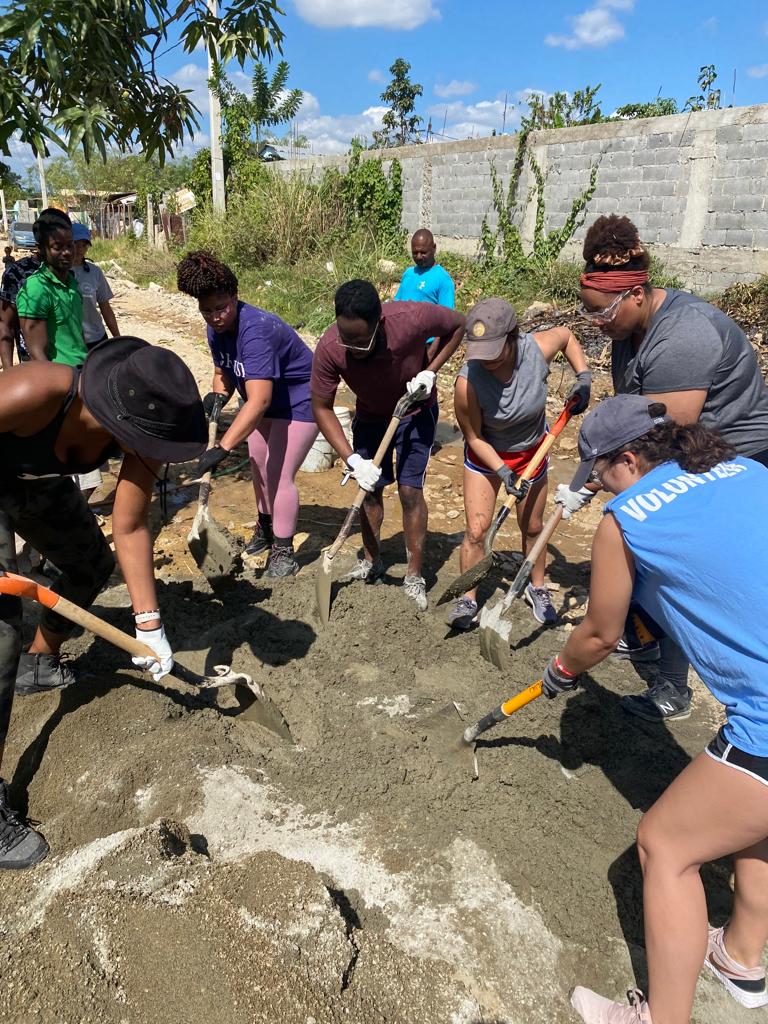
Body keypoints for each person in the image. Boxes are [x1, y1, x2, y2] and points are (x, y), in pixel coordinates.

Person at [541, 394, 768, 1024]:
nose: (599, 488)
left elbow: (598, 635)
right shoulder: (746, 468)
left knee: (664, 845)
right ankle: (741, 956)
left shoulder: (626, 519)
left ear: (629, 460)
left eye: (599, 473)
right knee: (751, 813)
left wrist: (562, 670)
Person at [0, 337, 207, 869]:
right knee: (0, 633)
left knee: (90, 564)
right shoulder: (33, 392)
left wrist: (149, 624)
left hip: (36, 483)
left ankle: (39, 660)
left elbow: (130, 525)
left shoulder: (145, 433)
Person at [555, 213, 768, 723]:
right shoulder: (627, 329)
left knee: (665, 558)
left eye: (601, 312)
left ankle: (674, 687)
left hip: (731, 456)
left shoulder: (683, 337)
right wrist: (585, 478)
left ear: (635, 293)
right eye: (589, 313)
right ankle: (644, 631)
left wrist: (598, 483)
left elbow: (660, 441)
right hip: (683, 443)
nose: (596, 324)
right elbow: (625, 422)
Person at [311, 279, 466, 610]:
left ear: (378, 323)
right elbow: (322, 408)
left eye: (360, 341)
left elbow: (458, 324)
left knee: (410, 491)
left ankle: (414, 575)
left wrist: (430, 371)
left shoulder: (410, 319)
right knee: (369, 490)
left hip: (415, 410)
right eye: (346, 339)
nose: (352, 348)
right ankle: (372, 561)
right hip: (370, 415)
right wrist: (352, 460)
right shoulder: (330, 348)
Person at [447, 298, 591, 630]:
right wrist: (503, 471)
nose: (486, 361)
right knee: (477, 530)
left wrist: (584, 377)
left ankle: (536, 587)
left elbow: (567, 336)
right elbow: (473, 438)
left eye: (493, 353)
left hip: (531, 452)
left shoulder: (536, 349)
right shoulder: (468, 383)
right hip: (487, 456)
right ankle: (467, 597)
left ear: (512, 338)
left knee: (533, 527)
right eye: (480, 353)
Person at [176, 251, 316, 579]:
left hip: (299, 401)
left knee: (279, 473)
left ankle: (283, 551)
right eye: (207, 310)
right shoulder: (215, 328)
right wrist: (218, 395)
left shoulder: (256, 331)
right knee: (258, 466)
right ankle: (266, 528)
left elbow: (259, 401)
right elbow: (223, 371)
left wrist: (222, 448)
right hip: (261, 401)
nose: (215, 317)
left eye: (222, 308)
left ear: (235, 296)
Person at [395, 229, 455, 350]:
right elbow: (397, 305)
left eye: (423, 252)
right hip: (403, 341)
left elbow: (446, 321)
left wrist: (432, 352)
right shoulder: (408, 273)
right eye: (415, 253)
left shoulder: (443, 279)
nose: (419, 257)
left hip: (426, 345)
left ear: (434, 248)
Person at [71, 223, 120, 348]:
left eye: (84, 245)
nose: (80, 249)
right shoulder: (59, 273)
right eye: (76, 244)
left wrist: (118, 339)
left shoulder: (94, 272)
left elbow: (105, 308)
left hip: (96, 338)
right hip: (71, 343)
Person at [0, 239, 40, 371]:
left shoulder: (76, 271)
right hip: (31, 363)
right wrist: (8, 372)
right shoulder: (17, 272)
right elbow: (6, 325)